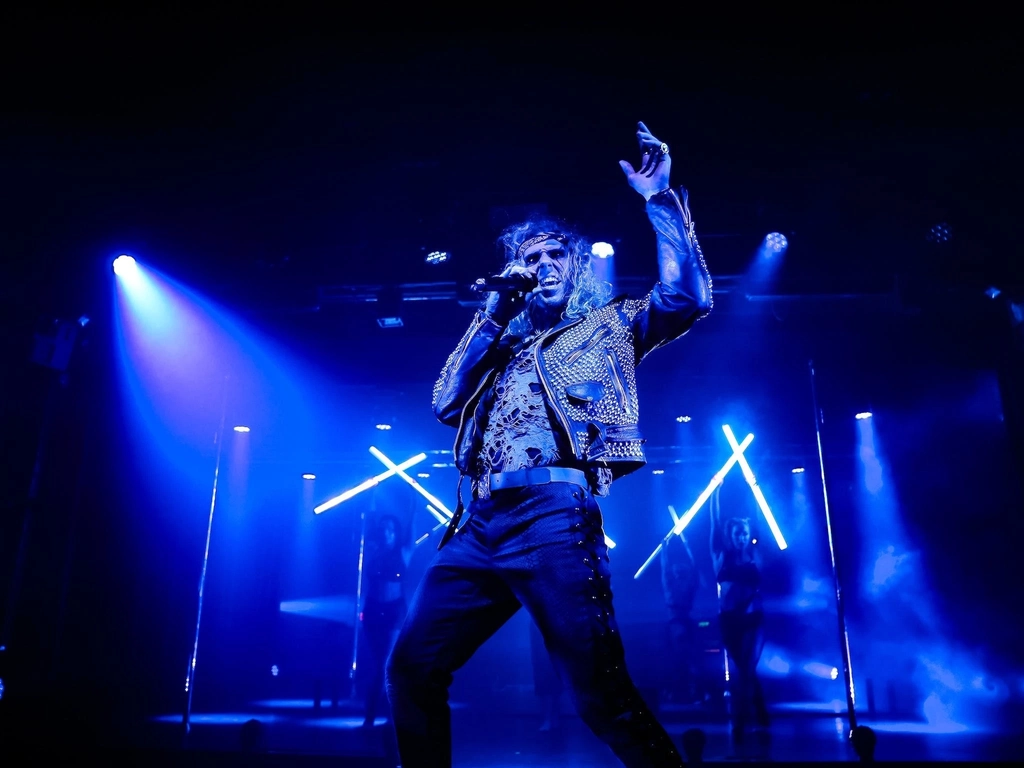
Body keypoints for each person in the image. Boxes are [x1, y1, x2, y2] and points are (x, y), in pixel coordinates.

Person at [385, 121, 713, 768]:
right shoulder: (500, 346)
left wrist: (659, 200)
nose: (541, 267)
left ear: (576, 266)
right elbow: (445, 401)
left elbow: (686, 298)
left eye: (553, 255)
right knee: (412, 668)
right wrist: (493, 313)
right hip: (478, 527)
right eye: (529, 260)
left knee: (600, 695)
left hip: (553, 517)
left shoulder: (606, 327)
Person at [709, 486, 769, 743]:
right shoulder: (720, 556)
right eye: (737, 533)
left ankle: (740, 722)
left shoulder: (755, 555)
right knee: (744, 670)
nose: (741, 537)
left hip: (753, 619)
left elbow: (760, 526)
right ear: (730, 536)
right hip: (729, 620)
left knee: (746, 669)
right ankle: (760, 710)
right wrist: (715, 493)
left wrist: (756, 492)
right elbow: (714, 522)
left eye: (744, 533)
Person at [361, 514, 411, 728]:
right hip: (373, 610)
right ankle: (385, 712)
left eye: (390, 529)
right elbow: (369, 522)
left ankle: (376, 714)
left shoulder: (404, 552)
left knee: (385, 663)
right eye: (383, 529)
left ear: (396, 533)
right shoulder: (372, 551)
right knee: (379, 663)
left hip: (394, 611)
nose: (386, 532)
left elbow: (411, 529)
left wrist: (413, 506)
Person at [660, 530, 701, 704]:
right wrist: (664, 548)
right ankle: (677, 692)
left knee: (686, 659)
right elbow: (665, 567)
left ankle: (690, 693)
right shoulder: (671, 585)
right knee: (680, 659)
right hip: (676, 623)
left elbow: (694, 566)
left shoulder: (687, 584)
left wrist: (687, 546)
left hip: (682, 623)